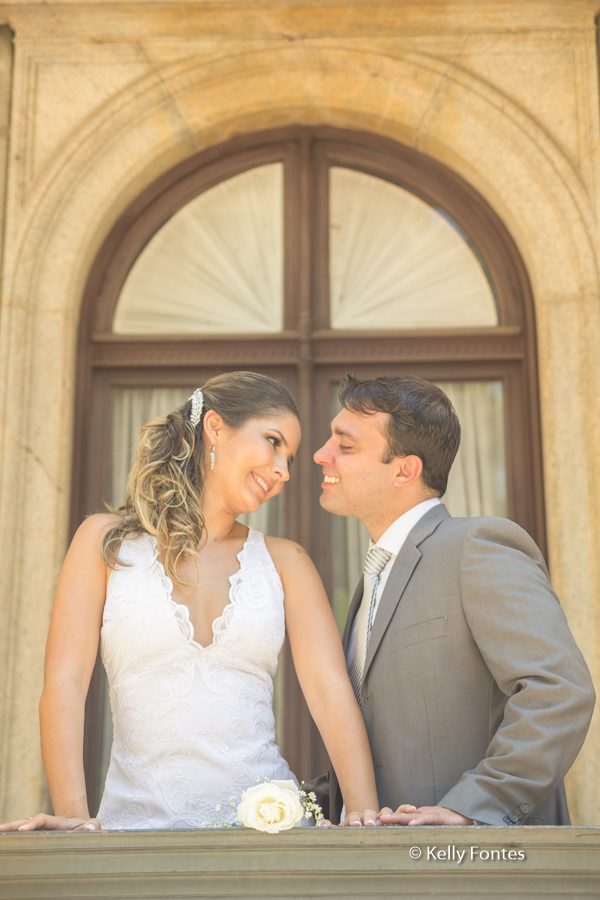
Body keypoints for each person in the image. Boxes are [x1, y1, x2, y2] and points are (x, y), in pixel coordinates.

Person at [1, 372, 379, 832]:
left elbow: (329, 691)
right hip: (132, 834)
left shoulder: (287, 562)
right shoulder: (104, 543)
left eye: (291, 458)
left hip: (268, 839)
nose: (284, 470)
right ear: (215, 428)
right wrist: (75, 822)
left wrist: (364, 815)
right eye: (273, 442)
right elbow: (65, 681)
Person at [310, 373, 595, 826]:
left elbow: (558, 690)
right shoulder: (370, 580)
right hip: (384, 872)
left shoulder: (476, 546)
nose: (320, 454)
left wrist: (475, 806)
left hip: (478, 870)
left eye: (344, 446)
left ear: (405, 469)